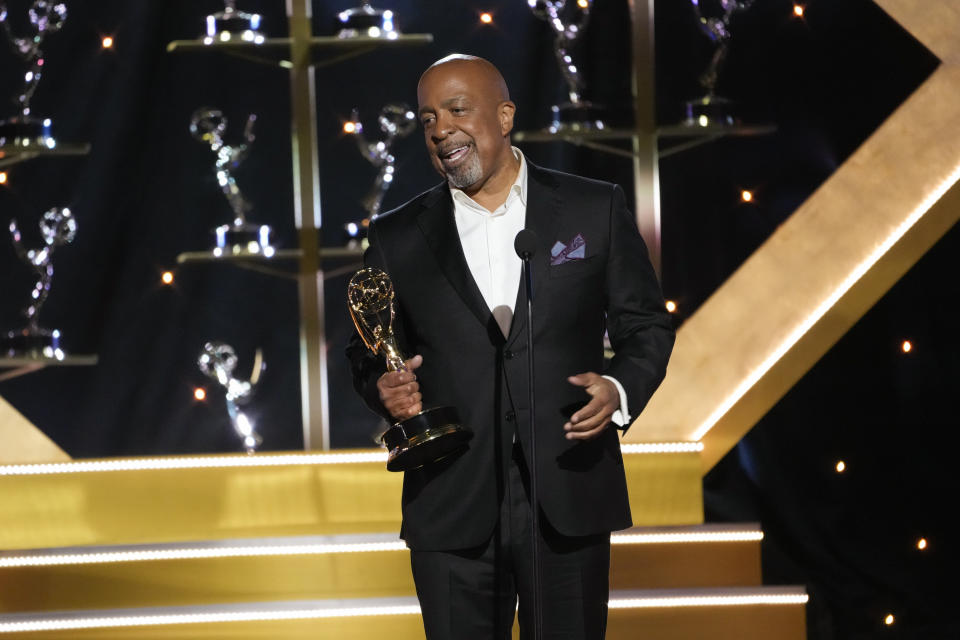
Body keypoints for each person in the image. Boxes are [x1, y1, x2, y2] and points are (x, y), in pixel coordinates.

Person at [347, 54, 674, 639]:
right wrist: (384, 388)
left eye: (456, 109)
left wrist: (620, 386)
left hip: (567, 487)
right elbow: (367, 351)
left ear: (504, 116)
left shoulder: (590, 207)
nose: (440, 129)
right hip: (451, 497)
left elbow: (645, 324)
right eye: (427, 119)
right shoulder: (397, 236)